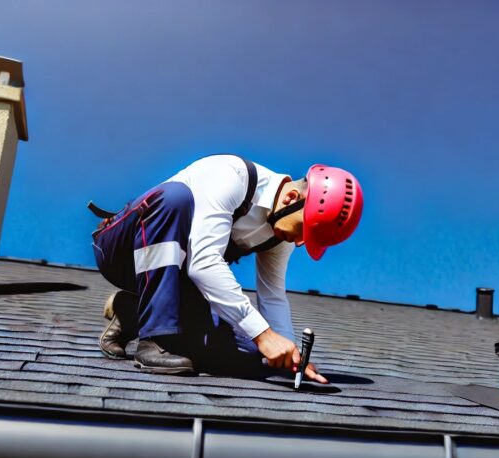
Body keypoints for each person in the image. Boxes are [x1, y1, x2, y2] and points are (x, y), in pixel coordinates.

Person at [90, 154, 363, 380]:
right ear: (292, 198)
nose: (302, 243)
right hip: (121, 252)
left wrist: (289, 358)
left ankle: (133, 312)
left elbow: (273, 297)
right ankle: (155, 339)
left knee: (253, 356)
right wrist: (264, 335)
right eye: (305, 230)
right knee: (174, 198)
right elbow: (204, 264)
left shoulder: (279, 235)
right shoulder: (232, 176)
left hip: (173, 285)